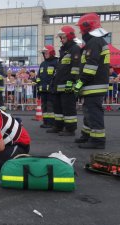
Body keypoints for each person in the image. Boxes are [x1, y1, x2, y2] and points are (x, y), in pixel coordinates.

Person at [74, 13, 110, 149]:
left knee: (93, 112)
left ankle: (97, 141)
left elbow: (90, 67)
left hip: (94, 85)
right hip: (94, 85)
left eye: (81, 29)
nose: (80, 31)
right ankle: (87, 135)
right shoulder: (96, 41)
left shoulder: (94, 42)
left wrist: (79, 84)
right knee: (88, 111)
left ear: (87, 27)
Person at [47, 26, 80, 136]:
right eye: (60, 37)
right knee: (58, 107)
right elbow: (61, 69)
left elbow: (76, 68)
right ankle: (58, 126)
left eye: (62, 37)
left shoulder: (75, 48)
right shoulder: (64, 50)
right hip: (59, 85)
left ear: (69, 36)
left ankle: (70, 129)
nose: (61, 39)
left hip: (68, 85)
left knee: (68, 108)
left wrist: (71, 83)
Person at [36, 45, 58, 128]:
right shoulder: (42, 64)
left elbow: (57, 76)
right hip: (43, 90)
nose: (45, 54)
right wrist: (38, 87)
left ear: (51, 53)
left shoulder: (56, 62)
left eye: (46, 53)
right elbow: (39, 77)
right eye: (44, 53)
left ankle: (51, 123)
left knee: (50, 107)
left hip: (51, 90)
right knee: (44, 107)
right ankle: (46, 122)